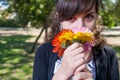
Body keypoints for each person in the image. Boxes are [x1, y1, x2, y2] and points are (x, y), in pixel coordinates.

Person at [33, 0, 119, 80]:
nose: (80, 26)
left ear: (96, 18)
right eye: (71, 17)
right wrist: (62, 74)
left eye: (88, 16)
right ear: (59, 19)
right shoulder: (44, 53)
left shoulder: (108, 56)